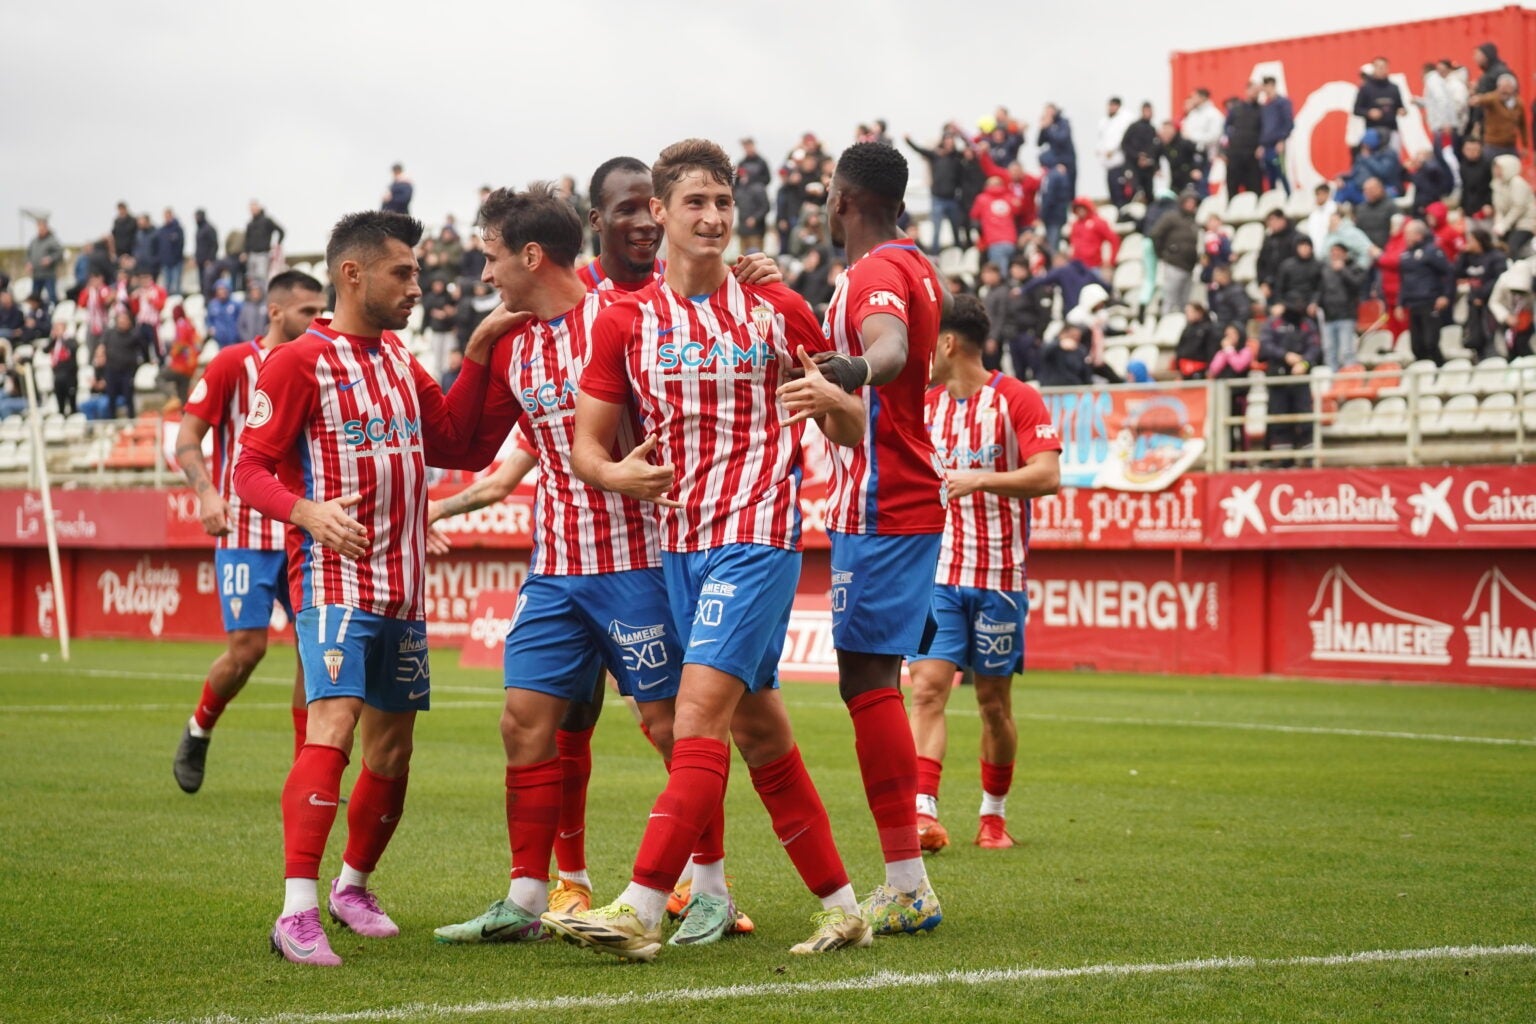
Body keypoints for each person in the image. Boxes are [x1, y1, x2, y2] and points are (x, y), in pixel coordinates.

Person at [539, 139, 868, 961]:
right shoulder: (624, 319)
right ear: (660, 212)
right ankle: (844, 905)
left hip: (757, 536)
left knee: (694, 719)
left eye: (724, 202)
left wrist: (834, 399)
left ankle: (642, 907)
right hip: (678, 546)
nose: (714, 217)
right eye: (696, 202)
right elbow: (586, 447)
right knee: (759, 734)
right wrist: (619, 474)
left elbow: (852, 430)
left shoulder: (776, 309)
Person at [233, 211, 504, 967]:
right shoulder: (297, 362)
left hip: (405, 589)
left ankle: (353, 888)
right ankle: (296, 910)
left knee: (392, 750)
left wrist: (482, 351)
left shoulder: (400, 360)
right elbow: (249, 468)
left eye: (416, 272)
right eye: (403, 273)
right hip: (335, 579)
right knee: (336, 725)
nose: (417, 286)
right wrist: (308, 511)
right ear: (352, 275)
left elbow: (461, 442)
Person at [907, 294, 1060, 853]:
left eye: (928, 341)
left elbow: (1048, 475)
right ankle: (922, 814)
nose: (923, 353)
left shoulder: (1015, 399)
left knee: (993, 704)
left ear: (948, 343)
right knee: (926, 689)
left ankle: (992, 817)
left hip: (999, 578)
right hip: (940, 575)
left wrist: (981, 479)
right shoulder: (925, 405)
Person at [170, 272, 329, 793]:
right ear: (277, 312)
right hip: (244, 527)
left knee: (315, 648)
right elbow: (187, 438)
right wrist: (206, 493)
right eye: (308, 311)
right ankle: (199, 728)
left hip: (303, 526)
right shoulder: (232, 362)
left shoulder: (324, 359)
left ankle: (306, 773)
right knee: (247, 649)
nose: (318, 320)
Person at [1258, 306, 1320, 458]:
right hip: (1277, 378)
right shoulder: (1272, 324)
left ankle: (1309, 457)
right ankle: (1282, 459)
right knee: (1279, 418)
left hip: (1300, 378)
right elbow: (1265, 346)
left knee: (1305, 417)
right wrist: (1285, 356)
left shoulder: (1308, 324)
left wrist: (1304, 363)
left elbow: (1315, 347)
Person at [1397, 220, 1455, 365]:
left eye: (1408, 234)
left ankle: (1440, 371)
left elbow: (1449, 274)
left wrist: (1445, 295)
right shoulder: (1405, 256)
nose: (1406, 237)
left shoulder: (1432, 251)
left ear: (1418, 235)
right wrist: (1400, 303)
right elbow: (1404, 281)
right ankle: (1423, 374)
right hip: (1413, 304)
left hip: (1430, 303)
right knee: (1416, 346)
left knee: (1431, 343)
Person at [904, 133, 967, 252]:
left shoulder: (957, 158)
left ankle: (958, 249)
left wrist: (958, 131)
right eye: (947, 142)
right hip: (938, 198)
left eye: (951, 142)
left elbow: (970, 149)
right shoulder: (936, 156)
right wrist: (908, 141)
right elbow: (921, 150)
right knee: (936, 228)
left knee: (956, 227)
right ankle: (935, 252)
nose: (949, 144)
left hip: (952, 198)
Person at [1457, 227, 1508, 361]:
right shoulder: (1469, 257)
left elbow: (1499, 279)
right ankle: (1481, 363)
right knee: (1476, 338)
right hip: (1474, 303)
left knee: (1490, 337)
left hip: (1491, 304)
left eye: (1471, 240)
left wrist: (1482, 295)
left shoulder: (1496, 257)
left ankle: (1494, 364)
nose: (1468, 243)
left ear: (1480, 241)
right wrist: (1463, 255)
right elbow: (1457, 273)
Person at [1149, 190, 1199, 315]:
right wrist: (1163, 253)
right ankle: (1166, 324)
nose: (1191, 205)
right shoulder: (1171, 217)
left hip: (1189, 266)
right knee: (1170, 299)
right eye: (1188, 202)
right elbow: (1155, 234)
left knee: (1185, 302)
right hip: (1174, 264)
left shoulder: (1192, 221)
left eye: (1193, 202)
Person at [1318, 243, 1367, 369]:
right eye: (1332, 251)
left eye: (1338, 251)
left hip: (1346, 315)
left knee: (1347, 351)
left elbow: (1357, 285)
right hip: (1329, 316)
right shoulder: (1325, 269)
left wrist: (1343, 270)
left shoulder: (1354, 267)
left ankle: (1350, 379)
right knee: (1329, 350)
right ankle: (1332, 382)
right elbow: (1320, 290)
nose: (1334, 254)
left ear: (1345, 253)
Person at [971, 176, 1024, 271]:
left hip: (994, 241)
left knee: (999, 272)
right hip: (1011, 240)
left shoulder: (981, 199)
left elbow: (974, 216)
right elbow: (1019, 211)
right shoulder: (1009, 197)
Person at [1471, 74, 1528, 160]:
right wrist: (1477, 99)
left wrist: (1525, 145)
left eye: (1507, 88)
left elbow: (1523, 126)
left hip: (1510, 146)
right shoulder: (1493, 99)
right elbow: (1484, 99)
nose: (1503, 91)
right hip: (1492, 146)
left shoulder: (1519, 103)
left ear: (1514, 89)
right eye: (1501, 87)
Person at [99, 309, 144, 417]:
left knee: (128, 397)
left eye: (125, 319)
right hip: (112, 371)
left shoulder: (134, 335)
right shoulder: (109, 333)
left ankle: (131, 420)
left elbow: (143, 350)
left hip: (127, 371)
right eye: (121, 319)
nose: (123, 322)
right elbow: (101, 346)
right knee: (111, 398)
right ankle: (111, 421)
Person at [1354, 57, 1407, 148]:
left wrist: (1402, 111)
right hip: (1373, 131)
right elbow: (1356, 110)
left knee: (1392, 158)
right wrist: (1369, 113)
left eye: (1384, 67)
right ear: (1374, 68)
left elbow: (1400, 106)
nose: (1381, 70)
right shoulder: (1365, 88)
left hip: (1392, 130)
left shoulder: (1394, 88)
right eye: (1379, 67)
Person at [1224, 82, 1264, 195]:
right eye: (1253, 90)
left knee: (1254, 185)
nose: (1255, 94)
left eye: (1257, 92)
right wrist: (1226, 149)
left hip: (1253, 153)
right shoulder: (1235, 109)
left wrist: (1261, 145)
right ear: (1247, 90)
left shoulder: (1261, 110)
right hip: (1235, 152)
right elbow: (1226, 128)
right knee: (1232, 184)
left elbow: (1264, 129)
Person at [1492, 153, 1536, 257]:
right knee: (1499, 246)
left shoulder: (1517, 183)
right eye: (1495, 167)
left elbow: (1519, 207)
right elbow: (1498, 207)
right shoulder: (1497, 183)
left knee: (1512, 247)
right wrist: (1499, 224)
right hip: (1509, 223)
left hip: (1525, 222)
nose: (1496, 170)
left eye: (1499, 167)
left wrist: (1504, 224)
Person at [1258, 77, 1295, 195]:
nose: (1265, 89)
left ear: (1272, 85)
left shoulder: (1283, 103)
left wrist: (1282, 140)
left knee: (1282, 174)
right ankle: (1273, 202)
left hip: (1277, 146)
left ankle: (1289, 199)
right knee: (1270, 178)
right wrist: (1261, 145)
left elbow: (1289, 123)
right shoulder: (1266, 107)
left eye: (1266, 86)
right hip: (1267, 146)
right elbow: (1263, 128)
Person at [1276, 237, 1323, 325]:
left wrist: (1314, 302)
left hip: (1309, 306)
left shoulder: (1318, 266)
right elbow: (1279, 288)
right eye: (1302, 246)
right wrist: (1280, 303)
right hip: (1289, 306)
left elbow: (1319, 288)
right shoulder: (1286, 265)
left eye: (1307, 246)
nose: (1304, 249)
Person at [1256, 209, 1299, 304]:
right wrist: (1262, 283)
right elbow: (1261, 262)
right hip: (1272, 287)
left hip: (1291, 287)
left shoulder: (1295, 238)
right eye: (1269, 222)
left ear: (1282, 220)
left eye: (1274, 221)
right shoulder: (1269, 240)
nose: (1271, 225)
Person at [1097, 97, 1134, 207]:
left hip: (1119, 162)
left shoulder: (1124, 119)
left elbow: (1121, 138)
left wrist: (1112, 150)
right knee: (1112, 190)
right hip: (1108, 163)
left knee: (1120, 192)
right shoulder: (1105, 121)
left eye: (1113, 105)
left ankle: (1121, 210)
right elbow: (1102, 138)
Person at [1119, 102, 1159, 204]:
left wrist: (1149, 161)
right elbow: (1124, 144)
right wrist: (1137, 156)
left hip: (1147, 167)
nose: (1148, 113)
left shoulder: (1152, 129)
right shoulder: (1133, 127)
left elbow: (1154, 149)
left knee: (1149, 193)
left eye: (1150, 111)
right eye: (1146, 111)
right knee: (1132, 191)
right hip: (1133, 166)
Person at [1068, 198, 1119, 270]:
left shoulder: (1098, 222)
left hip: (1093, 266)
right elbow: (1073, 245)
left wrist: (1111, 261)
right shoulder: (1075, 225)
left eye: (1082, 208)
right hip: (1076, 266)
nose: (1080, 211)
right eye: (1078, 209)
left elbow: (1114, 240)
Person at [243, 201, 285, 288]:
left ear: (259, 208)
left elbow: (281, 231)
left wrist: (278, 243)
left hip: (263, 254)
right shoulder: (250, 224)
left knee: (262, 278)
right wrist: (245, 252)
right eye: (251, 209)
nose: (252, 211)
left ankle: (264, 298)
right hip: (252, 254)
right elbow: (247, 240)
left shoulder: (267, 221)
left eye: (254, 208)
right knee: (251, 279)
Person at [1175, 302, 1221, 378]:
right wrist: (1178, 365)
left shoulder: (1209, 329)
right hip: (1185, 369)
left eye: (1190, 311)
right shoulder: (1187, 329)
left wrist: (1209, 368)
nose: (1187, 314)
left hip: (1200, 369)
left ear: (1199, 312)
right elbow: (1179, 348)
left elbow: (1211, 350)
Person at [24, 219, 64, 306]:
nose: (40, 230)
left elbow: (60, 253)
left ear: (46, 228)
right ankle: (36, 315)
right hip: (36, 274)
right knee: (35, 297)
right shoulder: (34, 241)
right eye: (39, 228)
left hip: (48, 275)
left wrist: (50, 259)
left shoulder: (52, 240)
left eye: (42, 228)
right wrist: (28, 263)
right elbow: (28, 254)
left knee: (52, 296)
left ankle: (53, 312)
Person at [155, 209, 187, 296]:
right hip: (165, 262)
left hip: (176, 262)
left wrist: (176, 258)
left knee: (176, 286)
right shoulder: (161, 230)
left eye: (169, 216)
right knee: (167, 286)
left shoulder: (178, 229)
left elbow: (181, 245)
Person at [194, 210, 219, 297]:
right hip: (200, 261)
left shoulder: (209, 228)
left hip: (208, 261)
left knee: (208, 282)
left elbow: (214, 245)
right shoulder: (199, 229)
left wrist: (210, 259)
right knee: (202, 282)